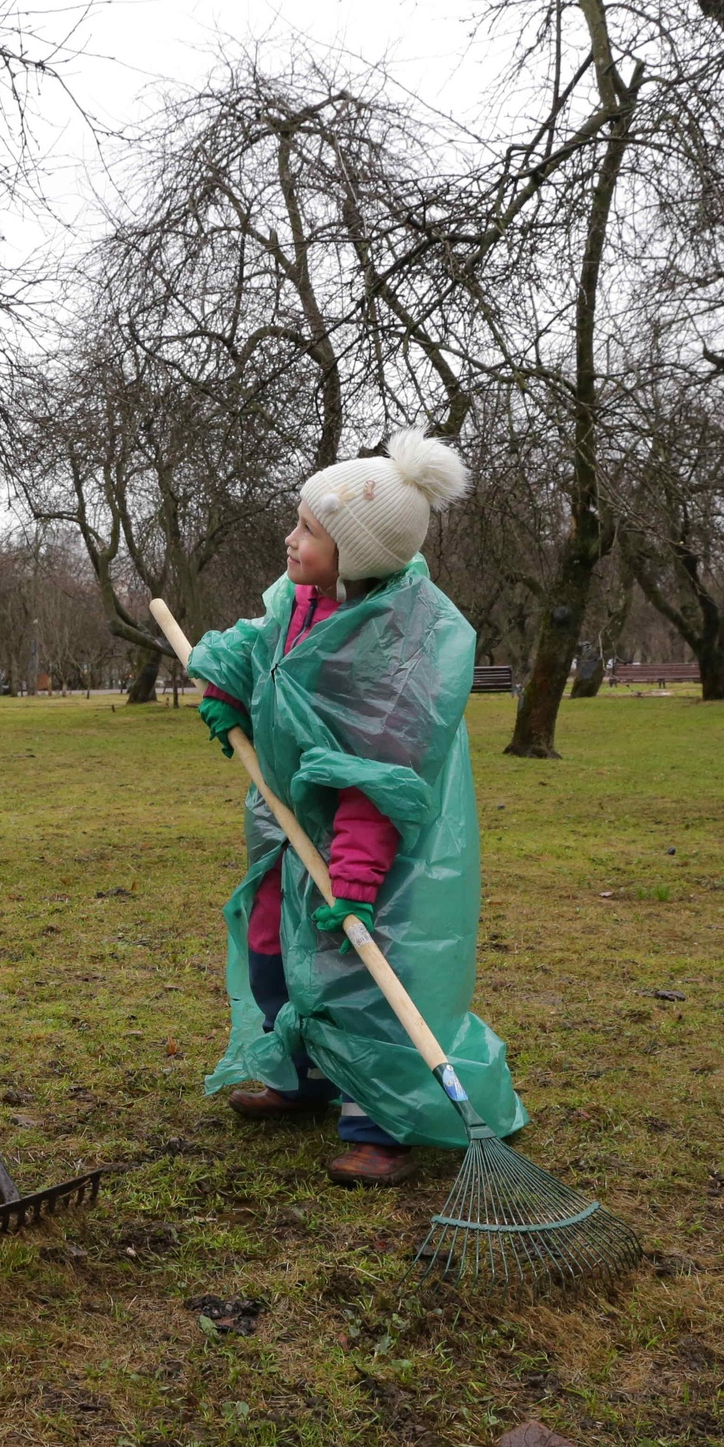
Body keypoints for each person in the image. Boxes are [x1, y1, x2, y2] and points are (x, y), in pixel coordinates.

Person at [188, 430, 528, 1185]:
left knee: (361, 971)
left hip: (367, 841)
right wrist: (224, 687)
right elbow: (258, 645)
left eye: (309, 527)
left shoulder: (398, 646)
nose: (291, 536)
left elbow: (381, 772)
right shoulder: (300, 599)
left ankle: (380, 1119)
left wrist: (354, 880)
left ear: (356, 551)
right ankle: (300, 1072)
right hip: (288, 820)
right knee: (276, 942)